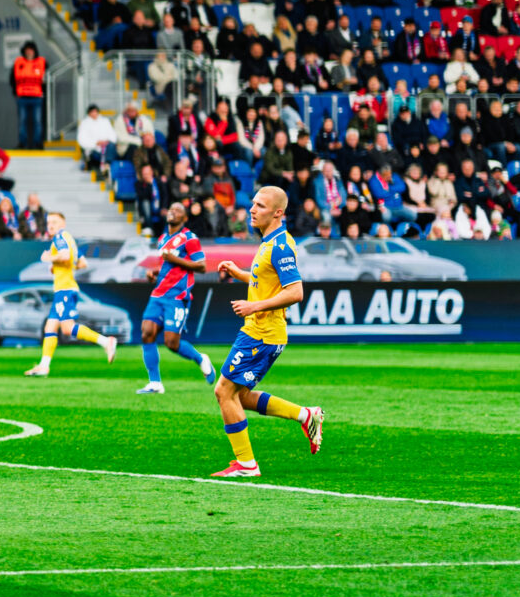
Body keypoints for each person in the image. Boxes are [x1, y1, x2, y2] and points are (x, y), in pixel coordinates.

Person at [210, 185, 324, 477]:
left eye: (260, 205)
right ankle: (305, 415)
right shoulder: (269, 241)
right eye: (253, 203)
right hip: (258, 330)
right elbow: (266, 279)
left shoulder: (280, 246)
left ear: (278, 213)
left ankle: (247, 464)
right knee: (241, 395)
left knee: (224, 391)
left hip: (263, 333)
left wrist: (254, 307)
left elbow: (296, 291)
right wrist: (241, 274)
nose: (252, 209)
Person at [22, 209, 118, 378]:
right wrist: (60, 266)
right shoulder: (70, 240)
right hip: (65, 288)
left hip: (64, 288)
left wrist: (49, 258)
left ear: (63, 224)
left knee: (67, 328)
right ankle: (44, 366)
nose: (51, 226)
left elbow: (65, 256)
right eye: (49, 223)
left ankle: (106, 341)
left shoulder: (60, 238)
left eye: (54, 222)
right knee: (50, 326)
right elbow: (82, 263)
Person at [136, 201, 217, 394]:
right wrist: (154, 273)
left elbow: (202, 266)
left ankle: (200, 358)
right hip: (158, 293)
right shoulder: (163, 238)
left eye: (178, 210)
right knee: (147, 332)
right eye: (171, 208)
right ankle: (155, 383)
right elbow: (167, 266)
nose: (173, 211)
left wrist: (175, 259)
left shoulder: (190, 238)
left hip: (178, 296)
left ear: (185, 218)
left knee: (171, 342)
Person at [11, 41, 47, 150]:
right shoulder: (19, 62)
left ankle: (38, 143)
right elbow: (12, 78)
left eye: (31, 49)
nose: (29, 52)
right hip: (22, 97)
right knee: (22, 121)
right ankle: (22, 143)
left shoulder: (41, 62)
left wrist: (43, 92)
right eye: (27, 49)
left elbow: (46, 78)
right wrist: (15, 93)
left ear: (34, 51)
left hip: (36, 96)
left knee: (37, 121)